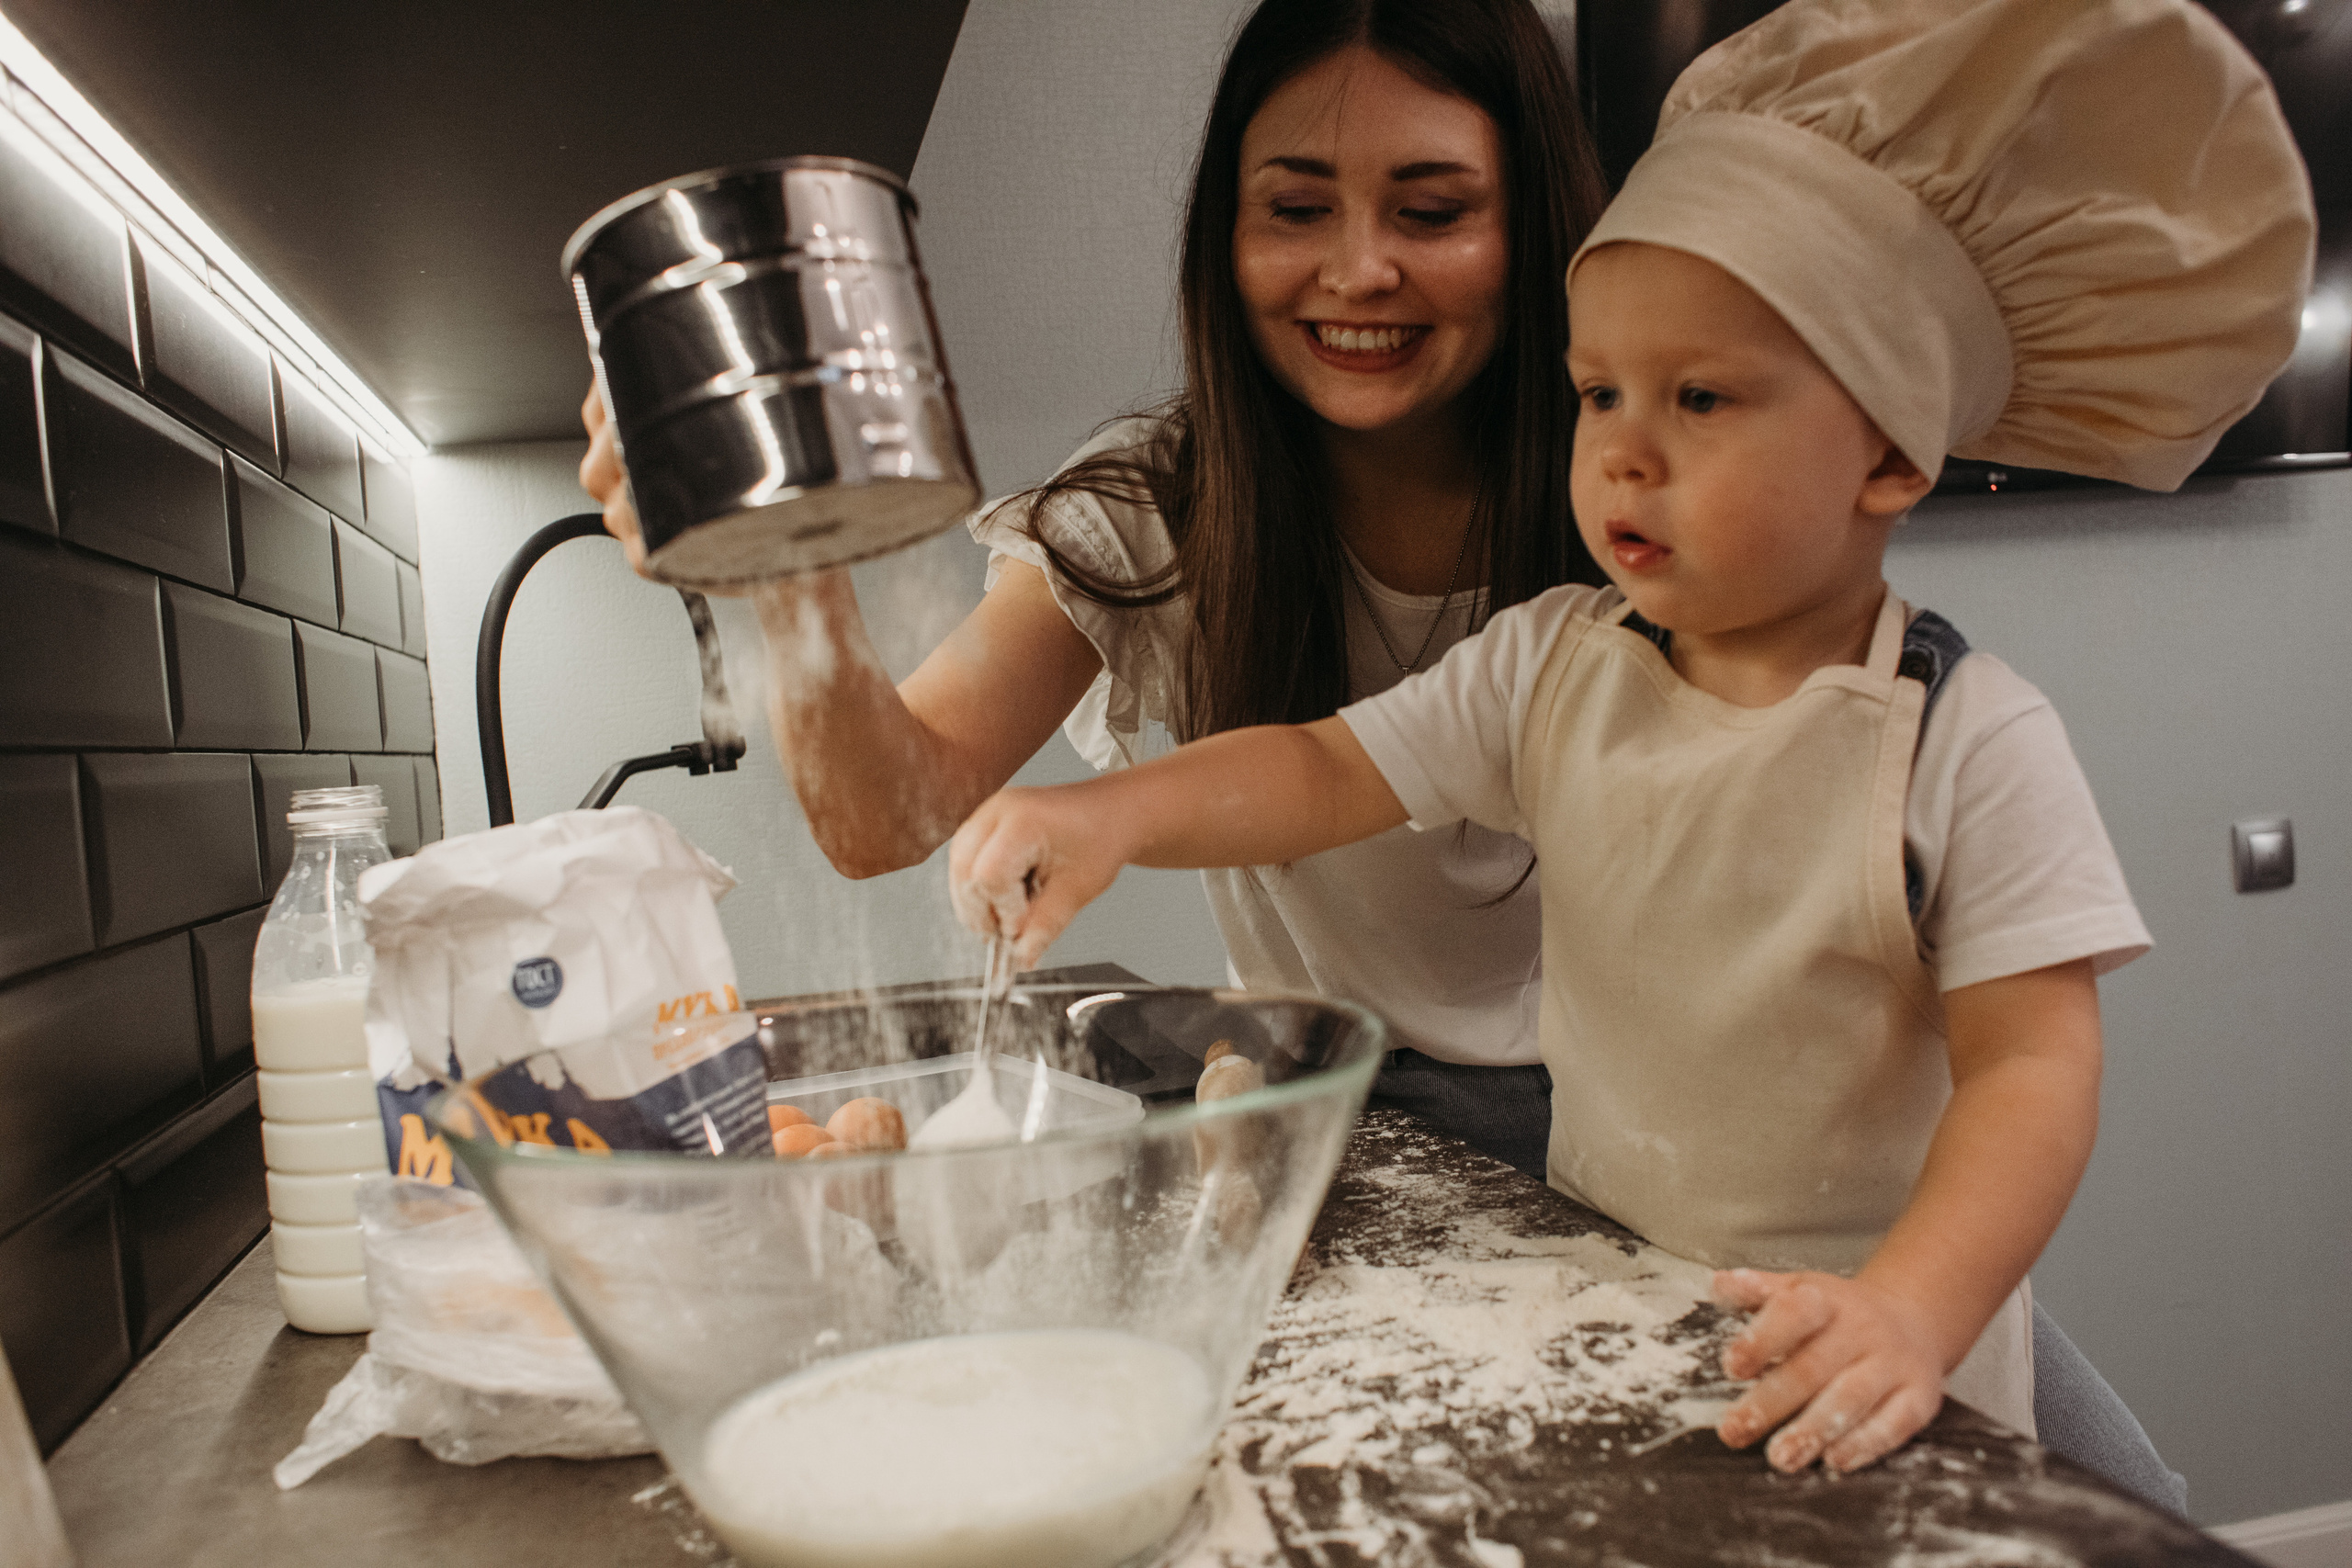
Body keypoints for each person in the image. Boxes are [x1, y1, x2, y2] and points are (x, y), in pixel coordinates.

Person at [945, 0, 2312, 1480]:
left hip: (1860, 1326)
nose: (1623, 449)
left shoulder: (1966, 745)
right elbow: (1328, 767)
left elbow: (2034, 1070)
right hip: (1622, 1274)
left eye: (1701, 397)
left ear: (1896, 453)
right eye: (1600, 391)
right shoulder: (1549, 664)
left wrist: (1910, 1311)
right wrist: (1114, 813)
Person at [583, 0, 1611, 1181]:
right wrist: (786, 561)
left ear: (1532, 223)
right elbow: (882, 817)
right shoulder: (1156, 513)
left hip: (1614, 1114)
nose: (1359, 269)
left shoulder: (1624, 497)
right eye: (1294, 209)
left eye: (1431, 212)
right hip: (1329, 1105)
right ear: (1222, 233)